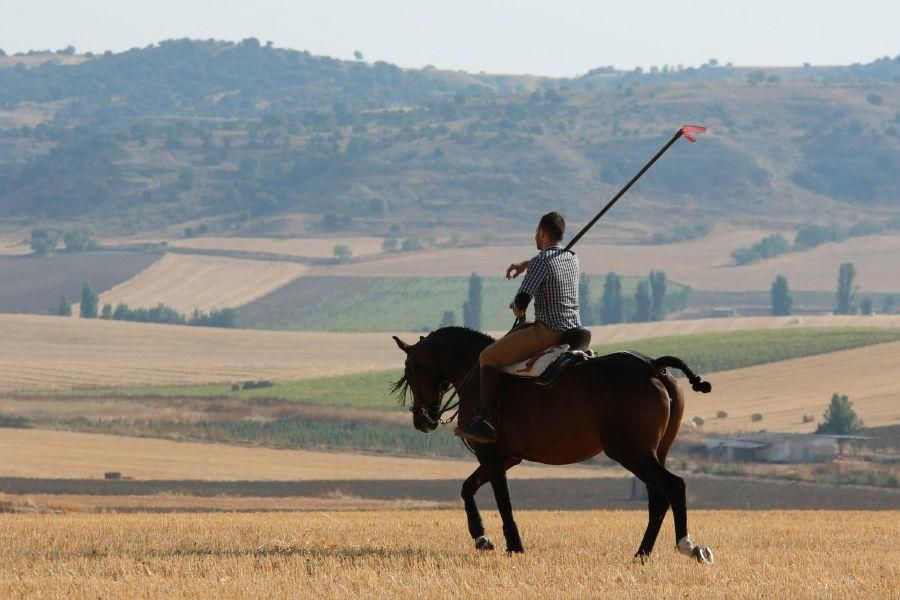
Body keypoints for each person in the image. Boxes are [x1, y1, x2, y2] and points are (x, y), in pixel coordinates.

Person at [457, 211, 581, 444]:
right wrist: (527, 265)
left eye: (536, 232)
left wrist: (516, 308)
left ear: (542, 233)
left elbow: (521, 303)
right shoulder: (572, 257)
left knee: (488, 355)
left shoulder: (541, 262)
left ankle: (485, 419)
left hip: (548, 332)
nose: (535, 235)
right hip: (574, 329)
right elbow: (547, 263)